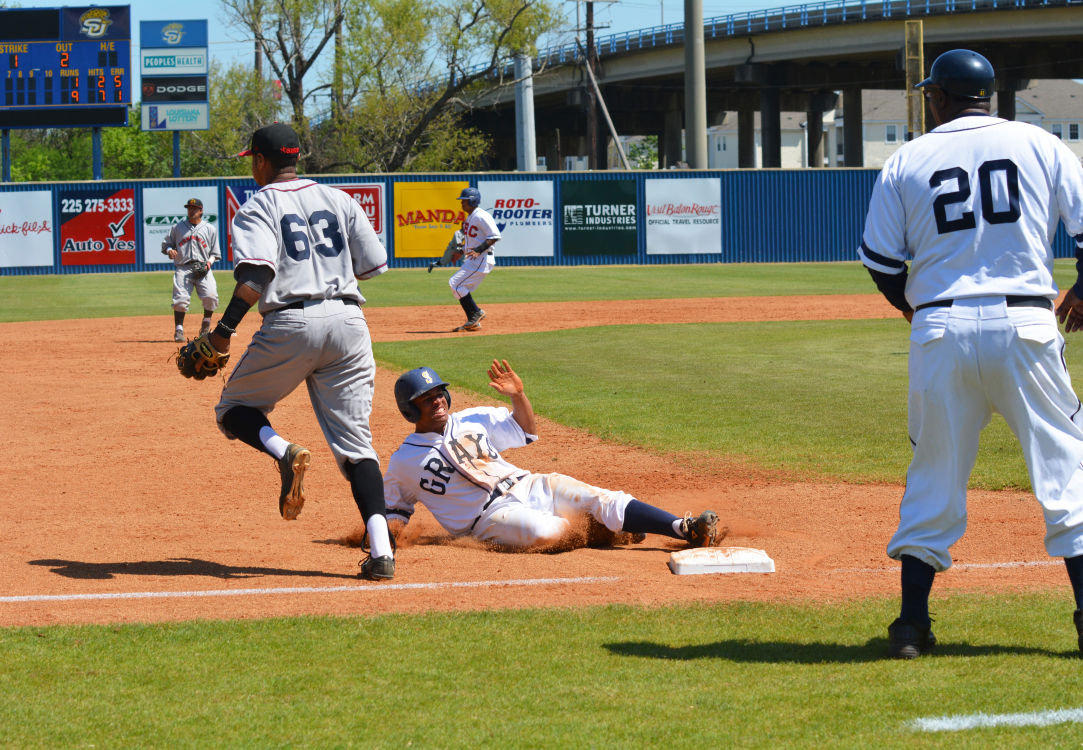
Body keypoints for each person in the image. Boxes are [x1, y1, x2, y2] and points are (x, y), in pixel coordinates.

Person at [857, 49, 1083, 657]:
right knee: (1061, 461)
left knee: (934, 474)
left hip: (941, 329)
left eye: (930, 94)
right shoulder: (1039, 143)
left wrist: (911, 307)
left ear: (942, 97)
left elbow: (880, 261)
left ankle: (910, 629)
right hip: (1026, 324)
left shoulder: (908, 158)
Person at [205, 122, 397, 581]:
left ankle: (284, 451)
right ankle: (383, 553)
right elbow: (373, 267)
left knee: (234, 408)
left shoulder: (258, 205)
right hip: (350, 322)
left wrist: (224, 330)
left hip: (292, 321)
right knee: (357, 446)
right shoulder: (341, 198)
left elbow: (255, 276)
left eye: (252, 159)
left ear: (261, 161)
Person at [382, 359, 721, 551]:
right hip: (487, 520)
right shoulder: (403, 463)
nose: (437, 400)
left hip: (529, 484)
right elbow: (394, 511)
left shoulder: (473, 418)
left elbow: (526, 431)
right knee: (546, 533)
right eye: (427, 398)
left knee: (599, 498)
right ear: (410, 410)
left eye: (439, 393)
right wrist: (381, 537)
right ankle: (607, 532)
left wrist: (519, 397)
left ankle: (683, 527)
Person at [162, 197, 221, 342]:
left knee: (211, 297)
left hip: (203, 267)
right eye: (189, 208)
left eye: (194, 208)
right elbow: (167, 245)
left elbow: (215, 253)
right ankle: (179, 330)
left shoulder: (210, 229)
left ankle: (206, 324)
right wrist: (170, 250)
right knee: (180, 300)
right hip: (183, 268)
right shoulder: (177, 228)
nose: (191, 210)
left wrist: (208, 264)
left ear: (201, 211)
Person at [447, 186, 500, 332]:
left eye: (464, 201)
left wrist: (478, 250)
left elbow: (495, 236)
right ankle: (473, 320)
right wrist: (460, 252)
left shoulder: (481, 215)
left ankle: (475, 313)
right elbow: (473, 241)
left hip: (482, 258)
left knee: (455, 283)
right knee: (458, 285)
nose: (461, 204)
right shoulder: (470, 217)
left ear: (472, 201)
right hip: (475, 259)